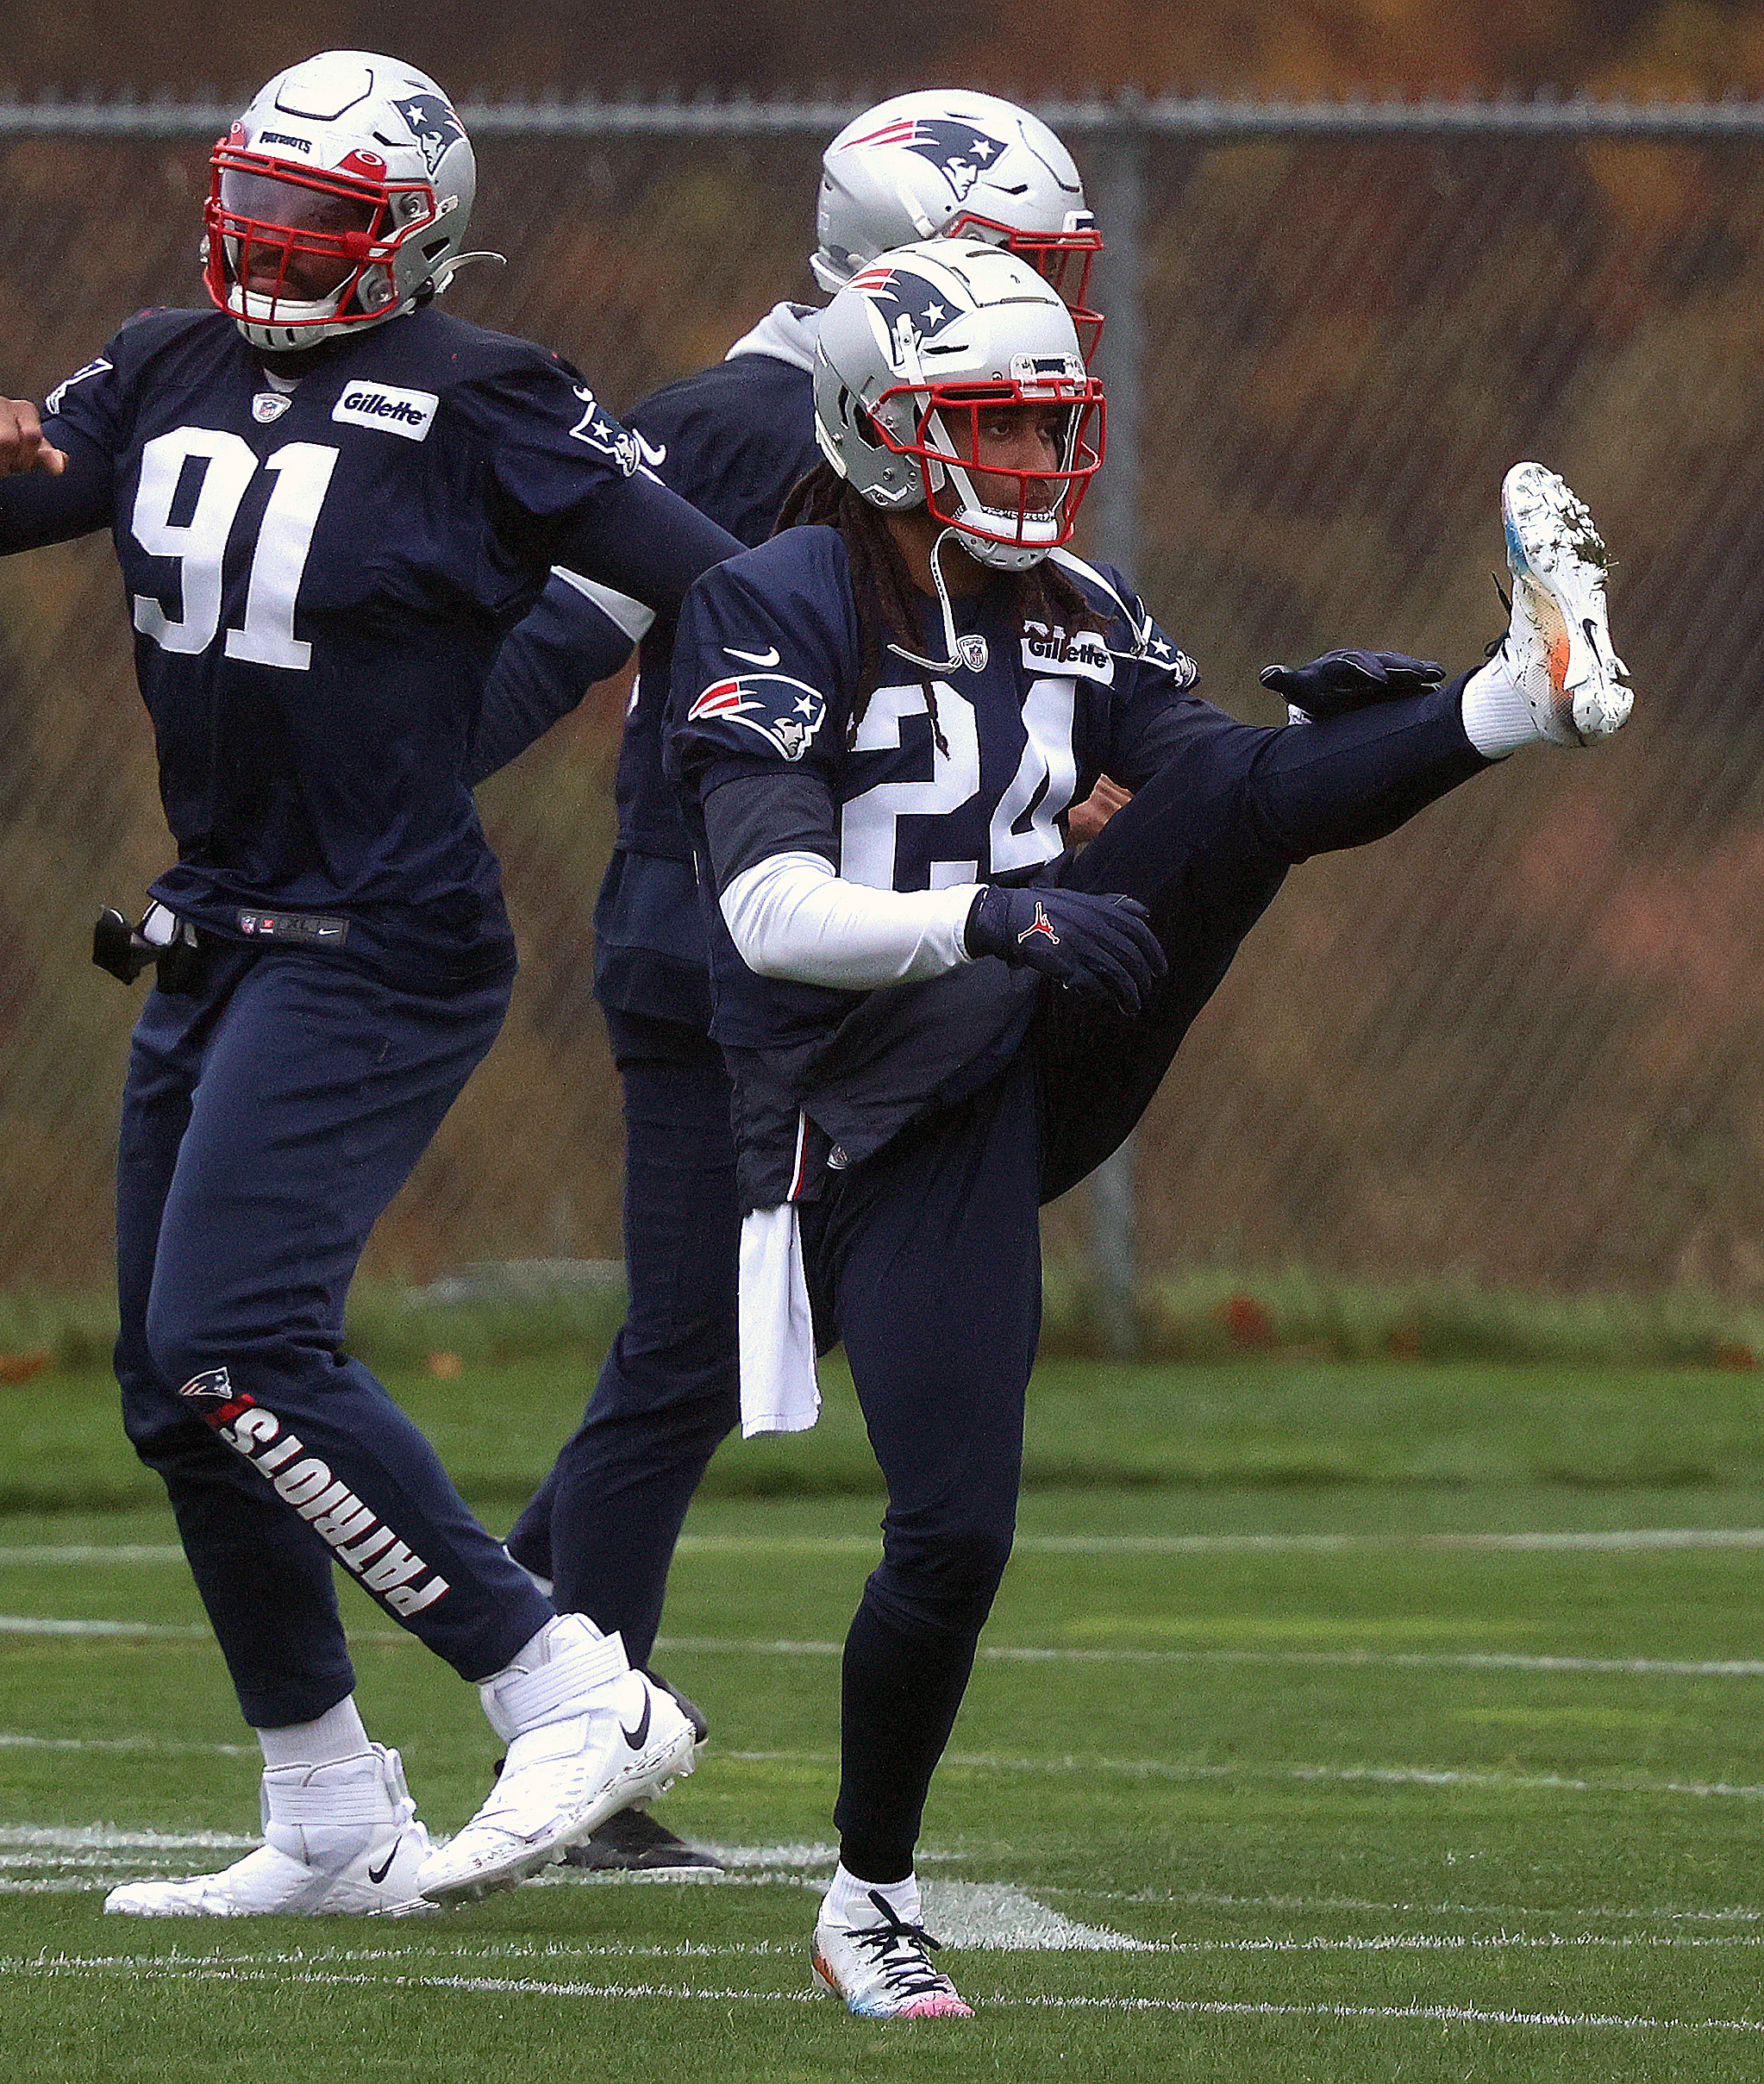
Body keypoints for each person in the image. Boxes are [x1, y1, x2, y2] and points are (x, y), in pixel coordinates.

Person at [662, 236, 1629, 2017]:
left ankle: (1512, 696)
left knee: (1239, 787)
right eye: (995, 431)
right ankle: (863, 1900)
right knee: (952, 1532)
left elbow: (1196, 776)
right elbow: (763, 913)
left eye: (1048, 429)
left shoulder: (1070, 607)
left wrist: (1378, 731)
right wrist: (989, 913)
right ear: (883, 430)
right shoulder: (771, 600)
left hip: (1039, 1018)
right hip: (877, 1105)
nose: (1038, 467)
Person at [0, 50, 748, 1915]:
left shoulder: (489, 394)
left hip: (380, 940)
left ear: (414, 239)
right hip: (218, 926)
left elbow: (728, 587)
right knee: (165, 1382)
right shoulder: (164, 359)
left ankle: (563, 1684)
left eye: (320, 219)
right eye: (259, 203)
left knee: (231, 1340)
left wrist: (743, 753)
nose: (274, 243)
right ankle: (323, 1812)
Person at [471, 92, 1104, 1871]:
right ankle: (574, 1717)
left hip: (861, 964)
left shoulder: (915, 428)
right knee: (689, 1352)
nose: (1034, 311)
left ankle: (514, 1606)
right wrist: (381, 790)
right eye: (1008, 267)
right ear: (893, 268)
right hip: (719, 948)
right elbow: (556, 647)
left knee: (751, 1339)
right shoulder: (749, 422)